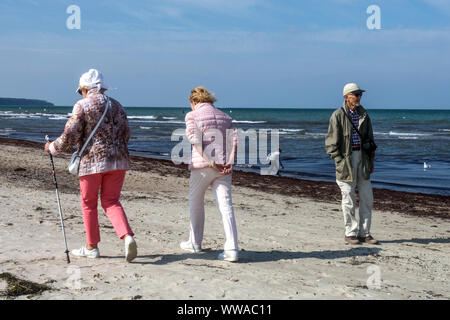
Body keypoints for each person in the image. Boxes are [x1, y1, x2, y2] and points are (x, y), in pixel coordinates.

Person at [44, 69, 138, 262]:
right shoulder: (118, 106)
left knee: (88, 203)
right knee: (111, 201)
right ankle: (127, 236)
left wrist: (52, 147)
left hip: (92, 162)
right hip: (119, 160)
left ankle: (92, 247)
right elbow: (126, 133)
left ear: (86, 89)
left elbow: (71, 134)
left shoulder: (83, 105)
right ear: (102, 88)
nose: (81, 94)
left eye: (81, 90)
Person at [180, 86, 239, 262]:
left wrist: (208, 158)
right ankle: (232, 248)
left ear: (194, 101)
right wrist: (230, 161)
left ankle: (195, 243)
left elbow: (194, 139)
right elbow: (234, 141)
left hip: (202, 166)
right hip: (224, 167)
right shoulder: (225, 117)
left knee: (196, 202)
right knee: (226, 205)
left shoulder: (192, 115)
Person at [325, 83, 378, 245]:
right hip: (346, 161)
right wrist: (340, 161)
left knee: (366, 197)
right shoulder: (337, 115)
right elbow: (331, 144)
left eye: (360, 94)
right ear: (347, 96)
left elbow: (370, 140)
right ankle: (351, 232)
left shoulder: (364, 116)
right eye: (356, 94)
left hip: (363, 159)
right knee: (348, 199)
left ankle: (365, 232)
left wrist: (371, 161)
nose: (359, 97)